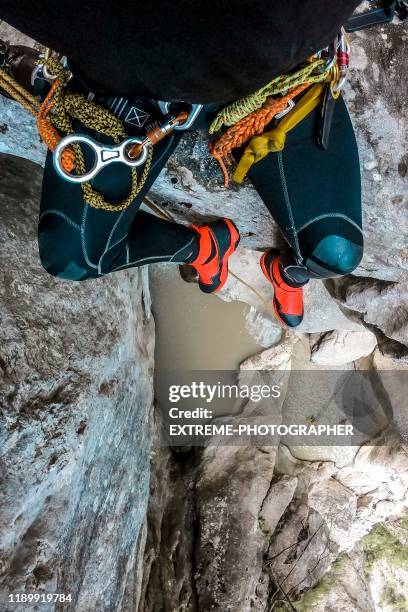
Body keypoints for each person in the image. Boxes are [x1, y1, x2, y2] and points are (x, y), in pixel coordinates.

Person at [0, 0, 363, 327]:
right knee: (71, 256)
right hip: (124, 93)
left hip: (273, 84)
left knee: (336, 253)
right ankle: (204, 249)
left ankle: (286, 274)